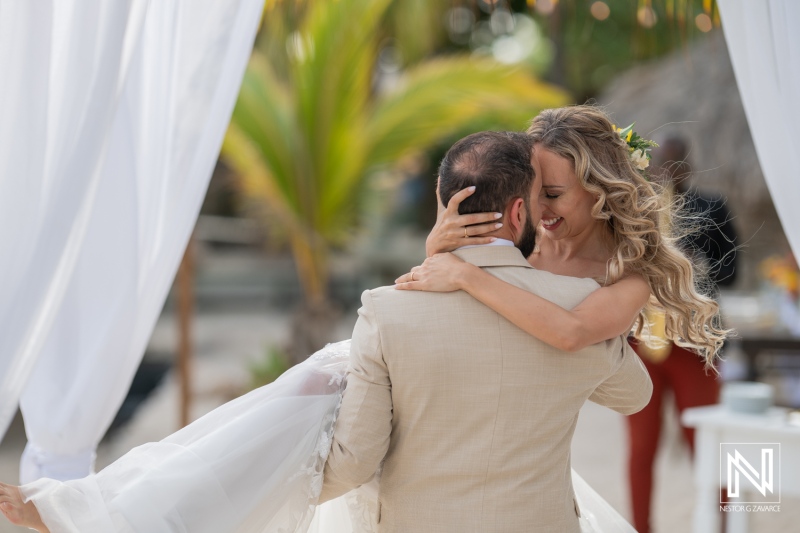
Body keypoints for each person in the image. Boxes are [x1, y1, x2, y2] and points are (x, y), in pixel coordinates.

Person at [0, 117, 657, 533]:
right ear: (518, 212)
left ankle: (105, 514)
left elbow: (350, 464)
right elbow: (633, 394)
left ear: (443, 204)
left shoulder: (391, 309)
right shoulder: (577, 310)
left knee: (295, 395)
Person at [395, 108, 729, 530]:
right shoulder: (514, 236)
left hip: (535, 464)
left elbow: (572, 333)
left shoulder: (626, 275)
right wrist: (436, 252)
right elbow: (423, 311)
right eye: (532, 192)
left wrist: (465, 273)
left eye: (553, 193)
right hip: (460, 442)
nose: (537, 208)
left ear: (600, 190)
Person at [622, 136, 737, 533]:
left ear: (688, 167)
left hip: (694, 341)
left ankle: (723, 524)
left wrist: (694, 265)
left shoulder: (712, 206)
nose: (667, 173)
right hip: (644, 341)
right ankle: (641, 527)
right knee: (640, 448)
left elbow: (732, 272)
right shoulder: (638, 211)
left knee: (704, 441)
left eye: (675, 165)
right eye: (660, 165)